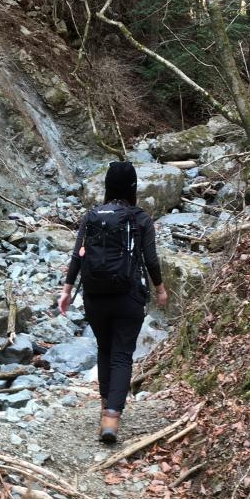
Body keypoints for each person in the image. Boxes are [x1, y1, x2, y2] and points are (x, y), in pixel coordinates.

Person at [57, 160, 168, 443]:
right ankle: (111, 418)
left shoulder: (92, 216)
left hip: (95, 297)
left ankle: (105, 407)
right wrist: (160, 289)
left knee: (105, 349)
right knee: (121, 355)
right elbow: (151, 260)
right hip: (128, 296)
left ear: (107, 186)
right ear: (133, 188)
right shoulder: (140, 218)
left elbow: (77, 256)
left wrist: (66, 291)